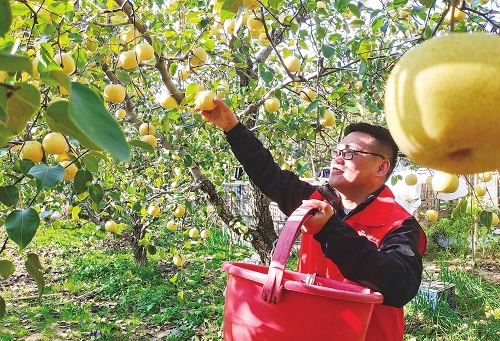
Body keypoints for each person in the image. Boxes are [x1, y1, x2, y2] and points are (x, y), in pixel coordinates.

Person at [197, 97, 427, 341]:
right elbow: (269, 175)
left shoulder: (400, 225)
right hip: (307, 329)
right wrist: (233, 129)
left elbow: (399, 285)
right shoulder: (316, 200)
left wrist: (330, 230)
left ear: (381, 168)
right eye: (337, 151)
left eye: (350, 153)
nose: (337, 158)